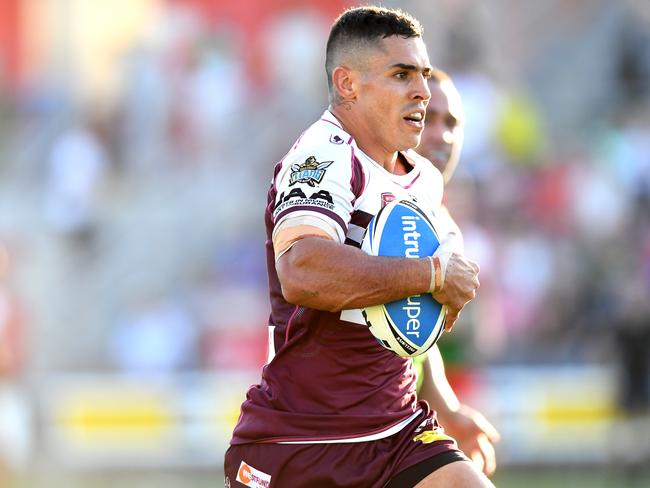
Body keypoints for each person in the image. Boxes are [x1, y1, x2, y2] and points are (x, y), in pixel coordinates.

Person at [224, 6, 491, 487]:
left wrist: (445, 403)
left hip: (396, 433)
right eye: (401, 74)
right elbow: (302, 270)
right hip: (300, 444)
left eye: (424, 75)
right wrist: (433, 274)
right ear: (348, 85)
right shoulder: (322, 156)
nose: (421, 91)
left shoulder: (423, 181)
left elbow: (400, 319)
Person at [414, 69, 500, 477]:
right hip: (333, 434)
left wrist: (446, 409)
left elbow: (412, 338)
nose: (442, 136)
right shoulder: (365, 197)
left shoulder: (441, 221)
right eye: (427, 118)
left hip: (393, 430)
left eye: (452, 123)